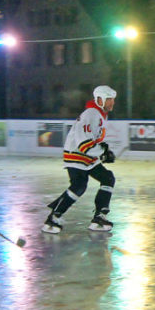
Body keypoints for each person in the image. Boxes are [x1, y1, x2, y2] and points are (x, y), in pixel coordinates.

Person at [42, 85, 118, 234]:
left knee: (108, 178)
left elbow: (92, 141)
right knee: (79, 186)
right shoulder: (91, 114)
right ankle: (53, 219)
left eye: (113, 100)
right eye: (109, 100)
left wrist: (103, 149)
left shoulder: (100, 114)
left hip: (86, 156)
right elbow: (84, 145)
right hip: (76, 154)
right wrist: (102, 153)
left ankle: (99, 218)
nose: (112, 103)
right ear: (100, 100)